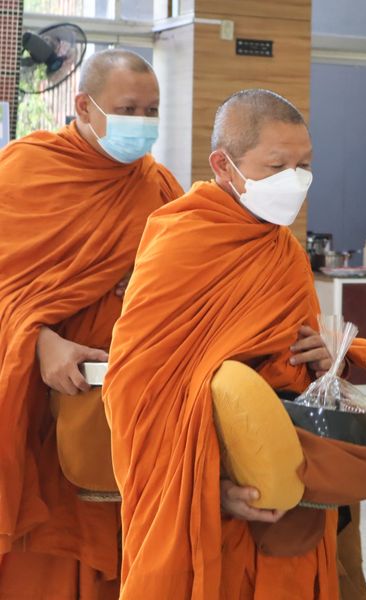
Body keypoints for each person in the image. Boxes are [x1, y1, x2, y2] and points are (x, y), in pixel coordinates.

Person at [103, 89, 366, 600]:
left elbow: (296, 360)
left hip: (292, 485)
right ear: (224, 165)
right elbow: (134, 388)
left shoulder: (282, 249)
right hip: (210, 489)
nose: (295, 179)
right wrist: (211, 487)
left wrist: (327, 363)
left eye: (304, 165)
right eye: (277, 166)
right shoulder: (181, 241)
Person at [0, 49, 182, 597]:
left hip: (119, 410)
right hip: (35, 405)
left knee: (115, 538)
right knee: (42, 557)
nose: (143, 123)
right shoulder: (23, 172)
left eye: (152, 111)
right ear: (84, 106)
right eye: (128, 109)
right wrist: (40, 343)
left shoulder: (160, 188)